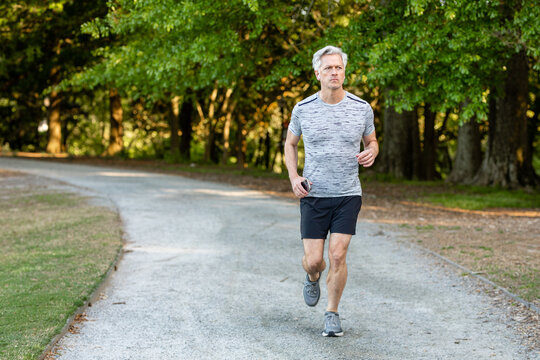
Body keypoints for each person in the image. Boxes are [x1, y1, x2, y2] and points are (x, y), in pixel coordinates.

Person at [284, 45, 378, 337]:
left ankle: (332, 313)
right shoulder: (303, 108)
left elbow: (372, 141)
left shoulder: (361, 108)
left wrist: (372, 151)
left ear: (344, 71)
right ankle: (312, 276)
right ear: (318, 73)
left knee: (338, 255)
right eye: (328, 68)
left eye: (338, 67)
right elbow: (290, 145)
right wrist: (293, 176)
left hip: (348, 194)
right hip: (313, 194)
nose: (334, 72)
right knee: (315, 261)